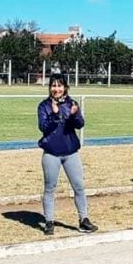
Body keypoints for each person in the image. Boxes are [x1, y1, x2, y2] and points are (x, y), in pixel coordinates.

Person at [37, 73, 97, 236]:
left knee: (79, 186)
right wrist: (55, 114)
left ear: (65, 88)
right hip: (51, 153)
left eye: (59, 86)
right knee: (50, 188)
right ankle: (49, 221)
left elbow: (80, 124)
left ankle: (83, 220)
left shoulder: (72, 103)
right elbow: (43, 127)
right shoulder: (44, 106)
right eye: (53, 86)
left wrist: (75, 114)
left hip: (71, 152)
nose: (56, 89)